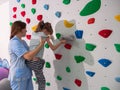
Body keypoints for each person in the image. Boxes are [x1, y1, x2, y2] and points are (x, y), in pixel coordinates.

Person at [25, 20, 66, 90]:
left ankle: (38, 78)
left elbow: (47, 39)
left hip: (28, 61)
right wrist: (61, 42)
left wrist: (49, 37)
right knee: (42, 82)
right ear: (45, 30)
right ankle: (39, 79)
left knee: (42, 61)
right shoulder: (44, 36)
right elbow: (53, 48)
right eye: (48, 33)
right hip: (35, 61)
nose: (48, 34)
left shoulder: (34, 33)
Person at [8, 20, 46, 90]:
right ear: (19, 29)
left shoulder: (23, 42)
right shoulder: (14, 42)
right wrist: (41, 45)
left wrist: (33, 58)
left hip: (26, 74)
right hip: (19, 77)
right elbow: (28, 56)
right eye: (25, 28)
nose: (26, 30)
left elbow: (30, 54)